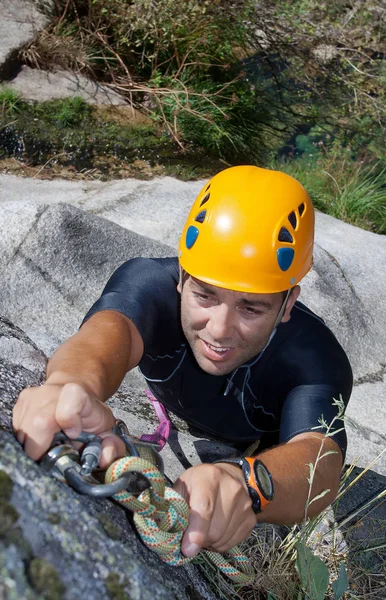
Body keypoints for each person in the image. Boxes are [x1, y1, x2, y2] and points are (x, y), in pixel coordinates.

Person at [13, 166, 353, 560]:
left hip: (256, 446)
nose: (221, 330)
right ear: (181, 277)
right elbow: (105, 335)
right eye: (205, 296)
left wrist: (249, 483)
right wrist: (68, 386)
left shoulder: (315, 357)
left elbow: (320, 461)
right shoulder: (149, 283)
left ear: (288, 303)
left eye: (251, 307)